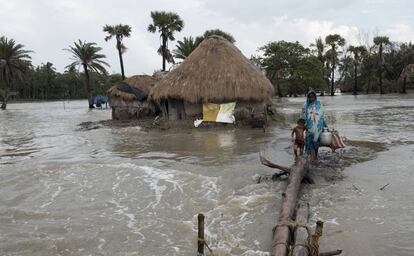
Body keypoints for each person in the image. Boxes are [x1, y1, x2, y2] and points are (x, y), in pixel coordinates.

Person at [301, 89, 327, 161]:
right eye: (310, 97)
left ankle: (315, 158)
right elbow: (302, 116)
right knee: (309, 144)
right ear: (308, 97)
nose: (311, 98)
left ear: (315, 97)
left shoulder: (319, 104)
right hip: (309, 128)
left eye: (313, 97)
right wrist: (302, 126)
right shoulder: (305, 105)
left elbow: (323, 115)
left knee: (316, 144)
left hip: (318, 128)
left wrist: (325, 125)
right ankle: (310, 159)